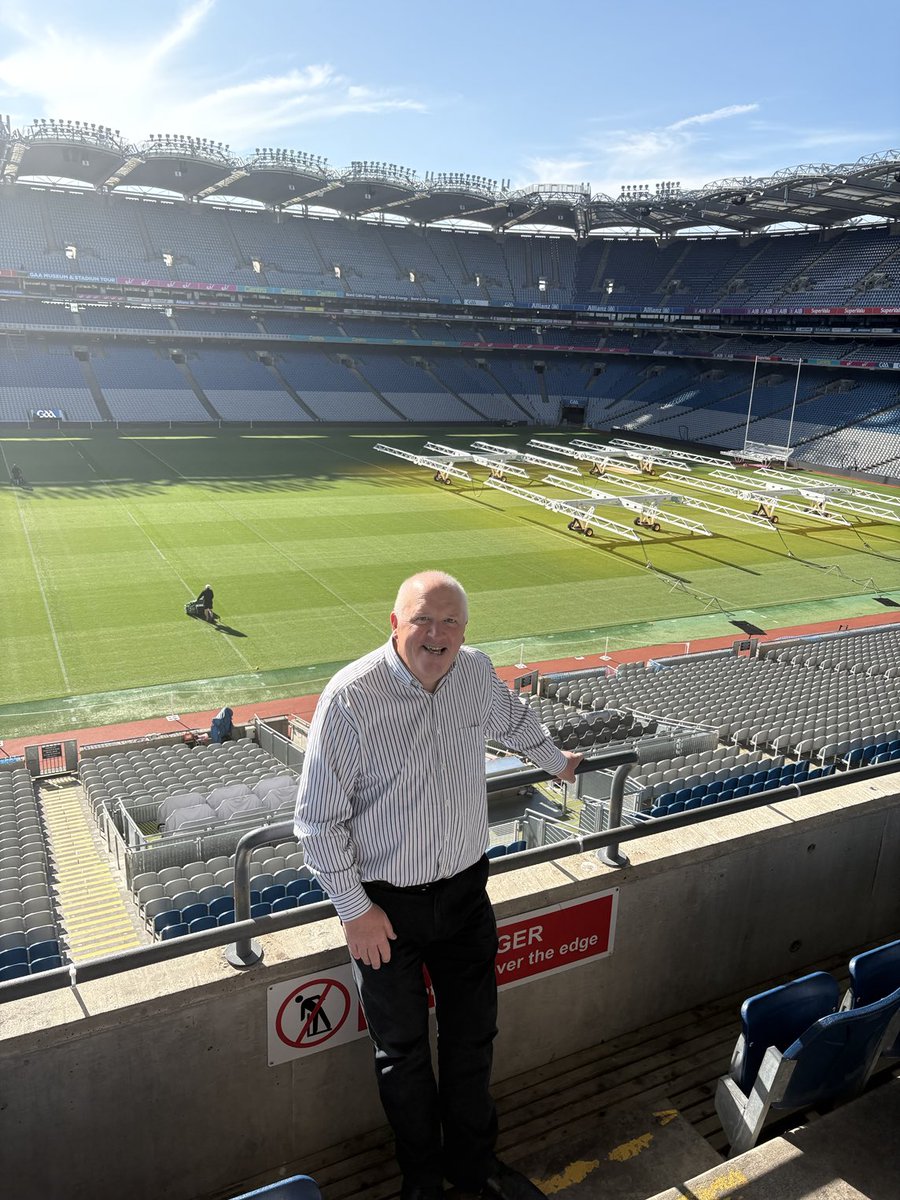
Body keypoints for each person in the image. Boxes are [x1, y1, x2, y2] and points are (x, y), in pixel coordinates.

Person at [294, 571, 581, 1200]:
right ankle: (423, 1182)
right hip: (383, 912)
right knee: (402, 1057)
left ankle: (472, 1172)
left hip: (464, 897)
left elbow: (515, 720)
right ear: (392, 623)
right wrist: (355, 910)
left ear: (465, 631)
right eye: (423, 618)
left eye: (450, 621)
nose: (437, 633)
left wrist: (554, 761)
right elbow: (316, 822)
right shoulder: (350, 697)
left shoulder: (475, 672)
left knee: (472, 1042)